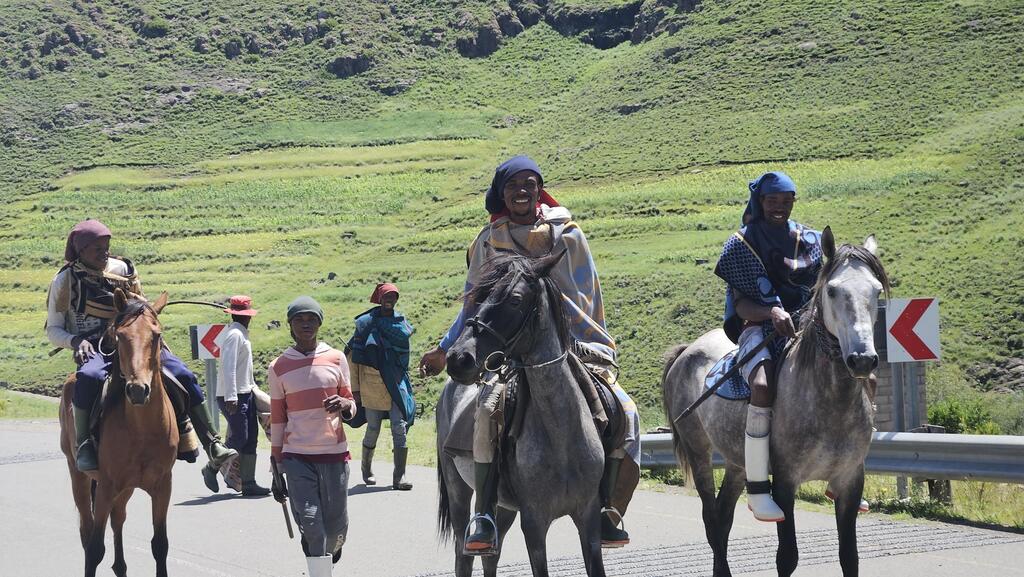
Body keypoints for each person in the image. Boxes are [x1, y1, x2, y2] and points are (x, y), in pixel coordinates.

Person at [418, 156, 641, 553]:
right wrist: (444, 348)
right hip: (507, 351)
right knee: (486, 412)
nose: (522, 191)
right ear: (501, 194)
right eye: (513, 186)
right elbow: (473, 304)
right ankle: (484, 513)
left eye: (529, 184)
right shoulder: (489, 240)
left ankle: (609, 508)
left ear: (539, 189)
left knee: (628, 411)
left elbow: (584, 294)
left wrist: (571, 337)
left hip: (569, 342)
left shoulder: (568, 233)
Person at [46, 219, 236, 473]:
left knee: (181, 373)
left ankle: (211, 441)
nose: (104, 254)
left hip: (135, 339)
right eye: (97, 250)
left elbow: (142, 307)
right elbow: (53, 329)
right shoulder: (65, 280)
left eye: (106, 247)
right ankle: (84, 445)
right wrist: (75, 341)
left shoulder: (123, 269)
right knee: (88, 379)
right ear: (80, 251)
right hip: (93, 346)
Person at [714, 171, 824, 522]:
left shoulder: (811, 240)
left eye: (785, 200)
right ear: (760, 203)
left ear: (793, 201)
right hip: (759, 328)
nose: (779, 207)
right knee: (761, 386)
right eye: (771, 201)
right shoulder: (741, 244)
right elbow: (741, 305)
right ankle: (758, 487)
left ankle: (844, 474)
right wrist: (771, 312)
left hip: (807, 328)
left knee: (856, 375)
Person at [269, 296, 357, 577]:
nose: (306, 324)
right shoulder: (278, 367)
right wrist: (276, 465)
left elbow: (351, 403)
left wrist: (345, 406)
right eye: (299, 319)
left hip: (334, 455)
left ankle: (328, 552)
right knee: (310, 522)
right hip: (297, 457)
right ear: (290, 325)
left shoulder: (336, 358)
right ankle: (320, 568)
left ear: (319, 323)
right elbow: (278, 418)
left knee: (335, 529)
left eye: (311, 319)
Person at [346, 283, 416, 491]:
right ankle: (366, 470)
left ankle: (399, 476)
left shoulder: (400, 323)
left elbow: (404, 356)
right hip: (371, 386)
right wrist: (355, 391)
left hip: (395, 383)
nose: (390, 299)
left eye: (393, 296)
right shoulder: (366, 324)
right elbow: (353, 360)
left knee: (399, 427)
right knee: (373, 429)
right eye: (386, 295)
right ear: (379, 298)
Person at [201, 295, 270, 496]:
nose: (247, 318)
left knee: (250, 438)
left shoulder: (241, 333)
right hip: (233, 395)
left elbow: (242, 369)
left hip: (244, 392)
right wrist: (231, 395)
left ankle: (248, 482)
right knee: (239, 437)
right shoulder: (234, 335)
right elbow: (228, 366)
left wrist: (252, 389)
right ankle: (211, 468)